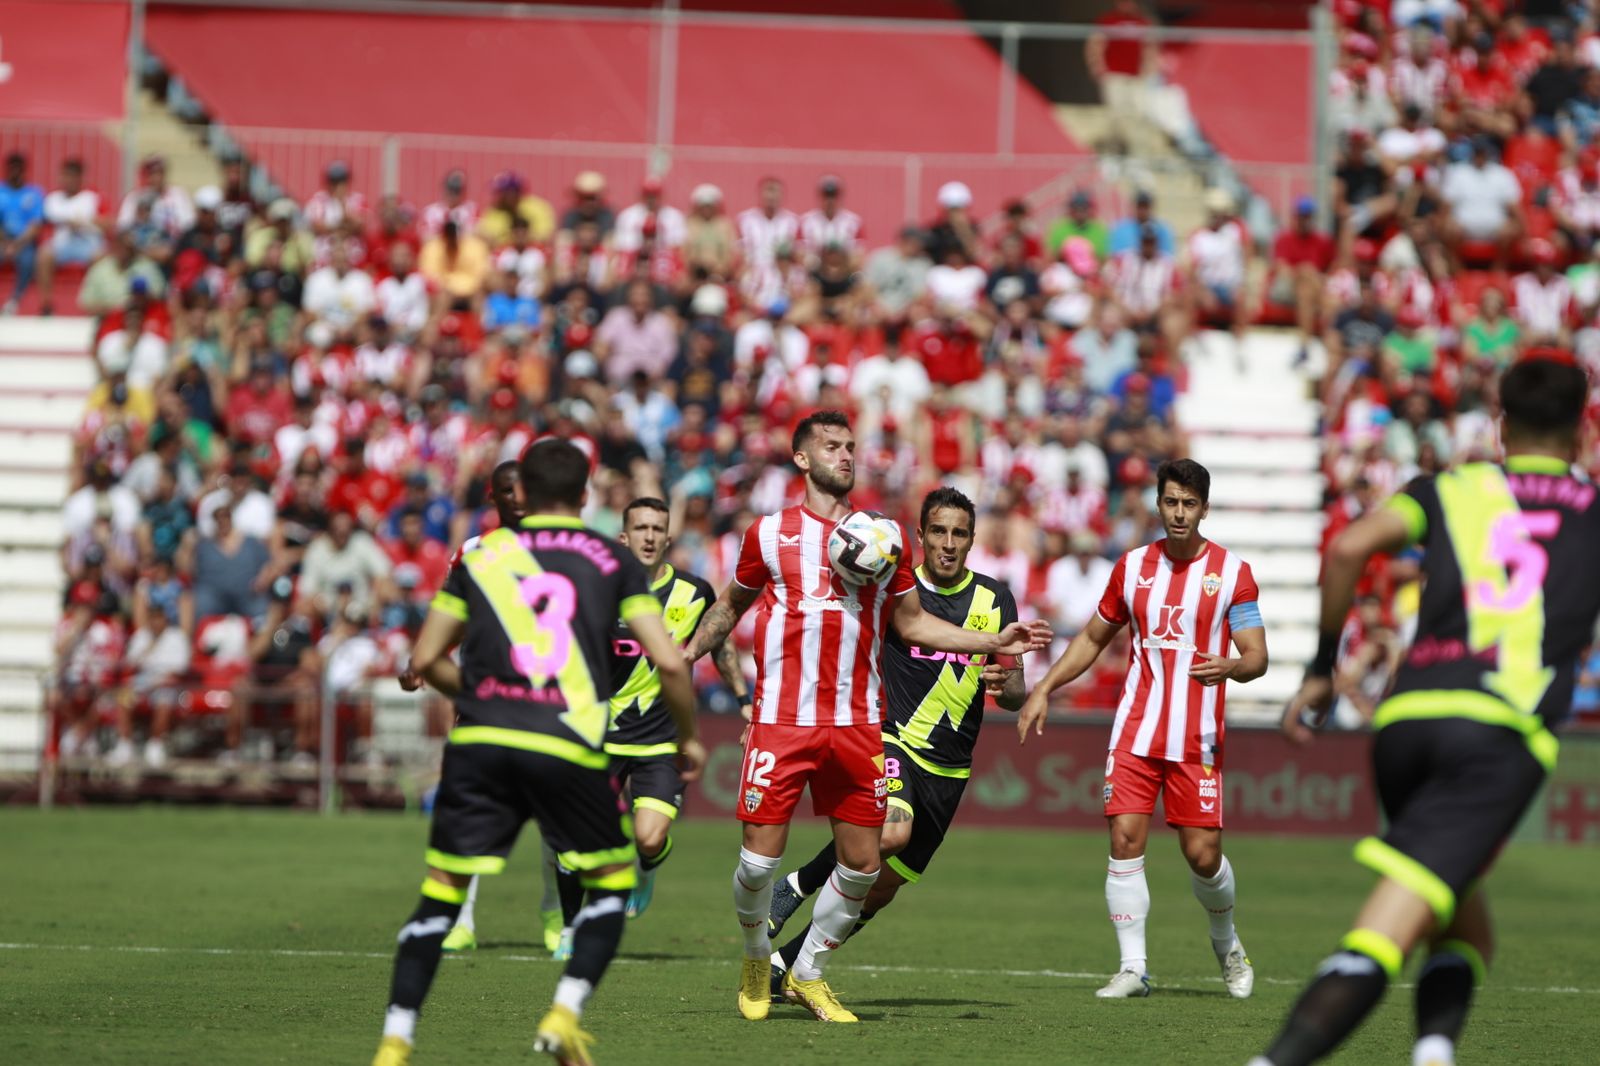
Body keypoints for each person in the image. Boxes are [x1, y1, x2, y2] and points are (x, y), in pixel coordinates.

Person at [1252, 357, 1600, 1066]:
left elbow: (1348, 548)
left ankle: (1434, 1053)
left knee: (1465, 927)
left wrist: (1322, 671)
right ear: (1584, 431)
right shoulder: (1593, 508)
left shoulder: (1446, 488)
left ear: (1500, 426)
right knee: (1384, 932)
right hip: (1498, 734)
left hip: (1405, 723)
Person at [683, 410, 1051, 1023]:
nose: (847, 455)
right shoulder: (769, 534)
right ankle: (757, 951)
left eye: (851, 446)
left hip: (879, 735)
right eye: (832, 446)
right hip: (798, 718)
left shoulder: (882, 542)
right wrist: (683, 653)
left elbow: (911, 624)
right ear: (802, 458)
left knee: (870, 874)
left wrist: (997, 649)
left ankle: (804, 973)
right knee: (758, 864)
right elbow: (730, 605)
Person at [370, 440, 706, 1066]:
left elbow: (421, 662)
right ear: (585, 498)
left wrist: (481, 693)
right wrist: (688, 737)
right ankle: (564, 1012)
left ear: (520, 490)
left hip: (484, 738)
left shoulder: (484, 554)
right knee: (609, 885)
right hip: (564, 739)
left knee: (438, 895)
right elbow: (668, 659)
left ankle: (395, 1041)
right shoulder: (610, 559)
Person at [441, 495, 748, 956]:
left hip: (657, 738)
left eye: (657, 529)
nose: (649, 537)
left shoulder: (694, 591)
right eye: (640, 528)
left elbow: (719, 642)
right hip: (594, 734)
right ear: (623, 537)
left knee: (649, 837)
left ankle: (645, 867)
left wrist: (742, 697)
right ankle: (568, 928)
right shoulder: (594, 591)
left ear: (668, 537)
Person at [1016, 457, 1268, 999]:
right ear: (1158, 504)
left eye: (1190, 504)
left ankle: (1226, 943)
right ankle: (1134, 968)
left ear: (1205, 508)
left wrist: (1229, 666)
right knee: (1124, 838)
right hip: (1135, 731)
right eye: (1171, 502)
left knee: (1202, 855)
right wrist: (1043, 687)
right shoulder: (1131, 568)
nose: (1179, 514)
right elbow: (1090, 639)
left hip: (1196, 737)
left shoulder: (1232, 574)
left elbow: (1257, 657)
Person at [763, 487, 1026, 992]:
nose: (949, 543)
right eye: (939, 532)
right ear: (920, 536)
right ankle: (794, 886)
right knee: (891, 834)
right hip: (889, 739)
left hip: (949, 769)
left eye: (960, 533)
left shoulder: (995, 598)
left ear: (972, 540)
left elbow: (1013, 691)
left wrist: (1006, 684)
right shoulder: (894, 592)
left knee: (880, 891)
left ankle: (787, 967)